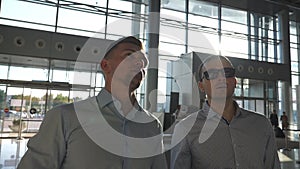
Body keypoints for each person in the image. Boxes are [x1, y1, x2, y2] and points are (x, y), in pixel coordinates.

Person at [17, 36, 167, 169]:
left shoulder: (151, 125)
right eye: (129, 56)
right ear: (106, 66)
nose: (139, 64)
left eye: (143, 62)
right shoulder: (65, 117)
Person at [171, 55, 280, 169]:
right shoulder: (185, 129)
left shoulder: (261, 124)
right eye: (212, 74)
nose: (221, 78)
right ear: (201, 86)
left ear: (235, 81)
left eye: (227, 72)